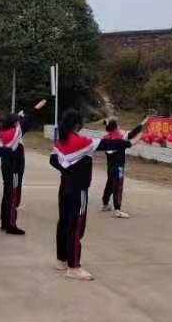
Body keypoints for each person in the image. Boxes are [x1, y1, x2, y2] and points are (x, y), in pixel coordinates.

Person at [50, 109, 133, 281]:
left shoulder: (59, 141)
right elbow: (107, 145)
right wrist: (128, 143)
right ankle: (73, 267)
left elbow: (53, 160)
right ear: (77, 125)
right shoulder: (81, 141)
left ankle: (62, 259)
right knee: (76, 225)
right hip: (78, 189)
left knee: (64, 222)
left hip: (64, 187)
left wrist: (66, 169)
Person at [100, 117, 147, 218]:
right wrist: (142, 128)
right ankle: (117, 210)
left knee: (110, 184)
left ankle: (105, 204)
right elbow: (132, 135)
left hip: (110, 167)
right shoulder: (120, 138)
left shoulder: (105, 138)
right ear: (116, 127)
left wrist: (143, 122)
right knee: (118, 187)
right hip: (119, 167)